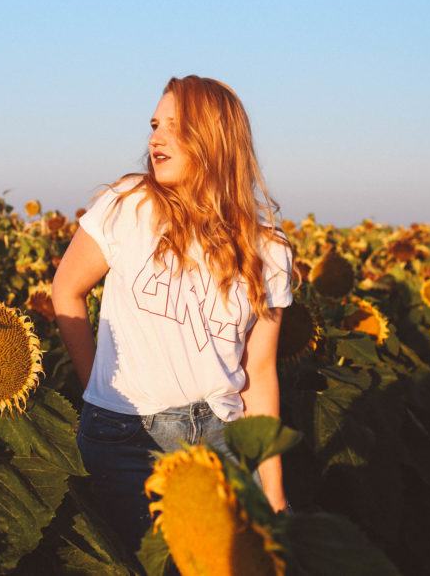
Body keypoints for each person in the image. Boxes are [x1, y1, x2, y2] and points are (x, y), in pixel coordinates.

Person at [51, 74, 296, 568]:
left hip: (220, 435)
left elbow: (260, 374)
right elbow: (66, 291)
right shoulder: (128, 205)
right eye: (153, 125)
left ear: (213, 139)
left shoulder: (268, 250)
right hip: (126, 438)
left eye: (173, 127)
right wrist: (98, 390)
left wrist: (274, 493)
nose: (155, 138)